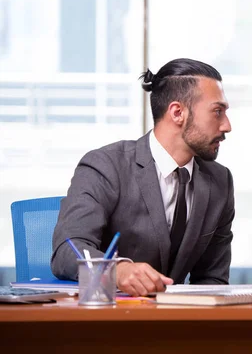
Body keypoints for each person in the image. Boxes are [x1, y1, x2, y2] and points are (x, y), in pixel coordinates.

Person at [51, 58, 234, 297]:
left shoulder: (219, 180)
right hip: (107, 317)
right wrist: (119, 270)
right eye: (217, 112)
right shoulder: (106, 166)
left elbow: (213, 280)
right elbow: (67, 249)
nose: (227, 126)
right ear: (177, 112)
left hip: (175, 323)